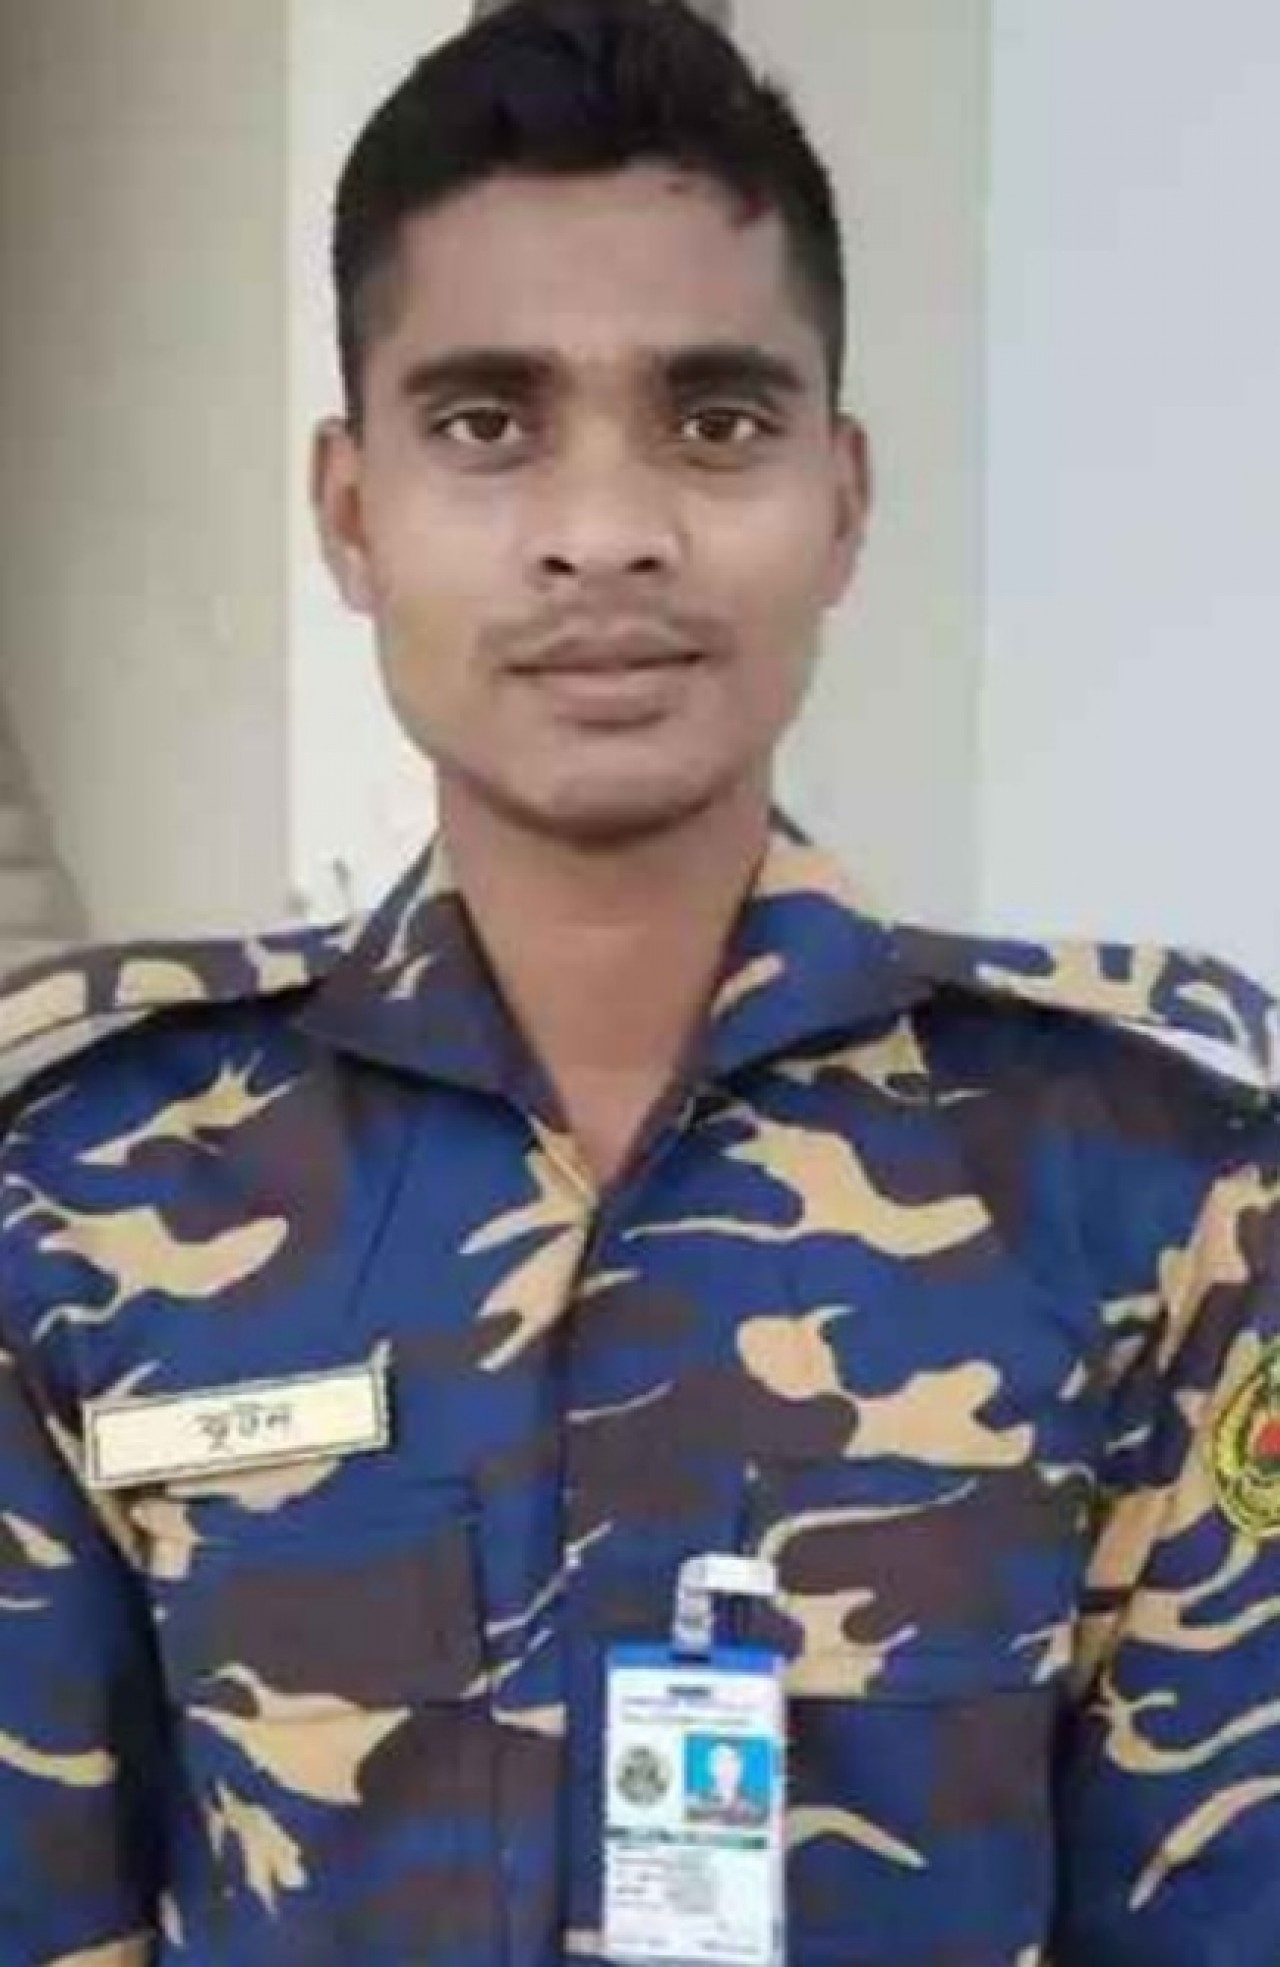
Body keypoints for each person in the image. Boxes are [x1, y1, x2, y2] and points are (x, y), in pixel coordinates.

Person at [0, 2, 1277, 1962]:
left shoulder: (1152, 1179)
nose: (605, 534)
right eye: (486, 424)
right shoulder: (88, 1183)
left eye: (717, 421)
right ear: (351, 511)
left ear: (843, 500)